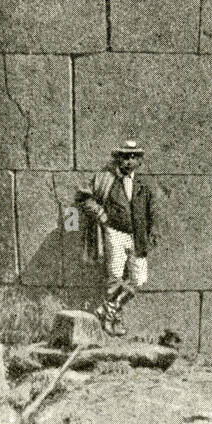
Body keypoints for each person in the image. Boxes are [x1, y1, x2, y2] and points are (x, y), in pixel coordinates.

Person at [77, 141, 158, 337]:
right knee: (114, 276)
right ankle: (114, 320)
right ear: (118, 158)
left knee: (138, 280)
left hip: (138, 237)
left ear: (139, 160)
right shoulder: (104, 179)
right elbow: (82, 197)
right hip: (115, 233)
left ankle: (107, 309)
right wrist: (100, 214)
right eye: (125, 156)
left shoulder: (144, 184)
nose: (129, 161)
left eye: (133, 157)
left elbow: (152, 211)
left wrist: (152, 233)